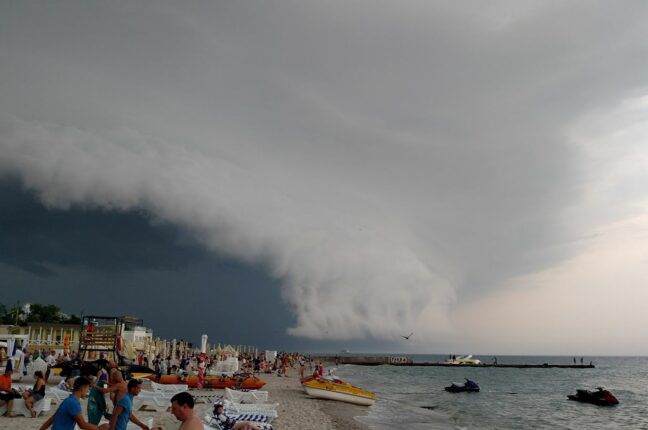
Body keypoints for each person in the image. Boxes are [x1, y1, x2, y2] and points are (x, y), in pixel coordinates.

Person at [39, 376, 106, 430]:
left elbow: (53, 418)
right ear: (82, 388)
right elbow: (82, 424)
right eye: (87, 389)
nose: (87, 391)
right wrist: (99, 428)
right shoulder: (73, 402)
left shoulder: (69, 400)